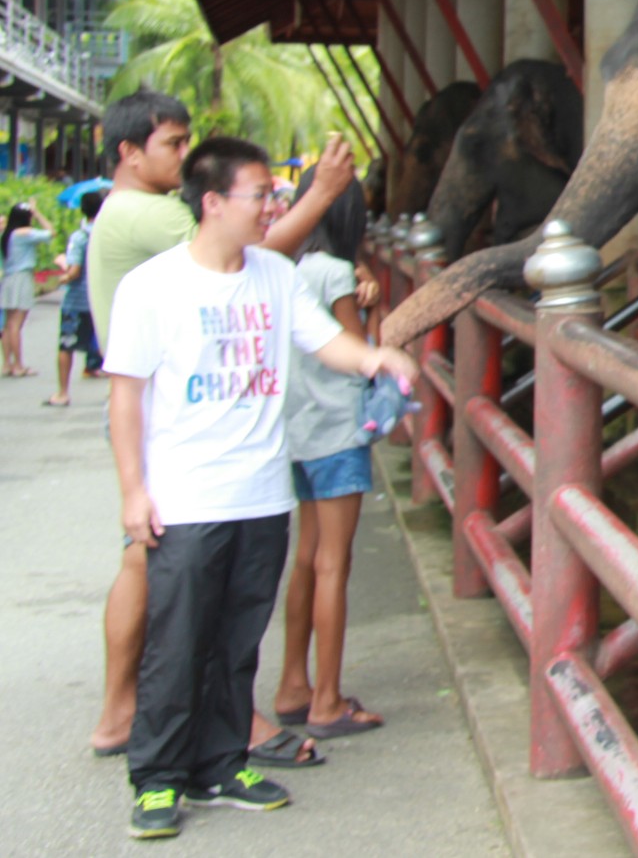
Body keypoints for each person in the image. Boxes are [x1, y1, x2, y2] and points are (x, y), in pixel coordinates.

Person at [107, 136, 417, 840]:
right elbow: (125, 397)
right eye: (262, 196)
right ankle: (157, 776)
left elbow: (322, 341)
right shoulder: (154, 286)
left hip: (261, 491)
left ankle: (220, 761)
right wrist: (134, 491)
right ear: (213, 202)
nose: (272, 207)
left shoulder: (276, 276)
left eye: (276, 195)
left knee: (238, 636)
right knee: (177, 638)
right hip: (186, 494)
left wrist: (374, 355)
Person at [88, 90, 356, 766]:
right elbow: (248, 249)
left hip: (197, 445)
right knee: (179, 605)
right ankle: (163, 746)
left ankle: (155, 722)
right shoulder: (149, 217)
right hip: (174, 443)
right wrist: (319, 195)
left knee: (184, 592)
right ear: (128, 152)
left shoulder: (139, 214)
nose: (183, 158)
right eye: (173, 144)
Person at [270, 167, 384, 739]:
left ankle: (294, 682)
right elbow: (357, 350)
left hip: (298, 433)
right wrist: (374, 307)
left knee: (308, 559)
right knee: (335, 565)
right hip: (337, 432)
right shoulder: (337, 272)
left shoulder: (288, 270)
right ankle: (327, 700)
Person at [47, 187, 105, 407]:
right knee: (106, 345)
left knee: (66, 345)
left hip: (77, 300)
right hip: (101, 298)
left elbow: (74, 272)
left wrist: (62, 267)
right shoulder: (107, 234)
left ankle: (62, 392)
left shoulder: (80, 237)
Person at [1, 198, 54, 376]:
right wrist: (37, 213)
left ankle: (7, 364)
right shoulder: (24, 233)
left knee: (8, 324)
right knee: (16, 324)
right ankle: (19, 365)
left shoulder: (7, 234)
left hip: (8, 279)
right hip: (22, 278)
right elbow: (50, 233)